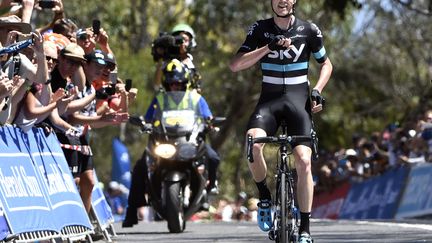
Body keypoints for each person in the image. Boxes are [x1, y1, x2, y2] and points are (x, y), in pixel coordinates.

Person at [229, 0, 333, 242]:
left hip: (299, 103)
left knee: (304, 162)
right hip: (270, 101)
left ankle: (305, 228)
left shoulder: (309, 30)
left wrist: (317, 89)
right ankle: (264, 196)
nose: (283, 1)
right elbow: (235, 65)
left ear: (294, 1)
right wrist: (268, 47)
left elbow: (326, 64)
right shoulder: (260, 29)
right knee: (253, 144)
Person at [123, 59, 220, 227]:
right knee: (140, 168)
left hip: (189, 140)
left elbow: (208, 117)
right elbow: (148, 118)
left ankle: (210, 188)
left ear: (185, 83)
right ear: (165, 84)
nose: (175, 86)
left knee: (213, 157)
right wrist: (144, 124)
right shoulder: (159, 98)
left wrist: (211, 124)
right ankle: (132, 211)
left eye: (179, 83)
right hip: (164, 141)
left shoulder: (196, 98)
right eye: (171, 83)